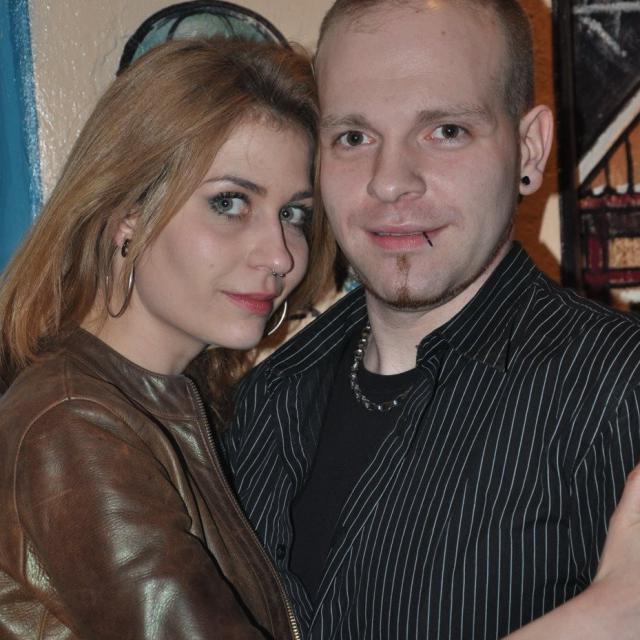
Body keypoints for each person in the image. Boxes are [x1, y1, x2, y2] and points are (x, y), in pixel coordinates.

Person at [224, 1, 640, 638]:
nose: (390, 182)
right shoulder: (263, 401)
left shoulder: (619, 392)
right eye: (354, 137)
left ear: (528, 149)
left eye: (445, 130)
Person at [0, 37, 334, 639]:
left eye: (293, 214)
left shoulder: (167, 401)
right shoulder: (75, 426)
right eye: (230, 202)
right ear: (127, 214)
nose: (280, 255)